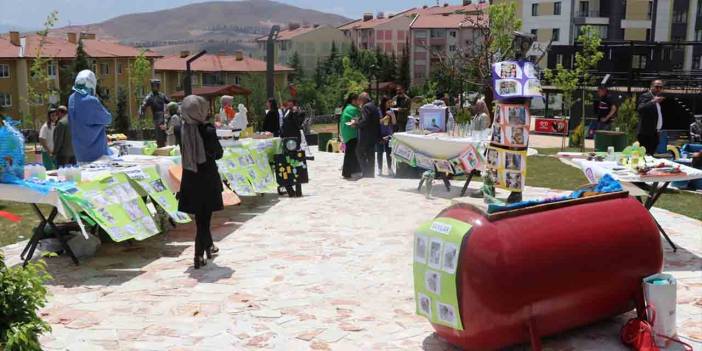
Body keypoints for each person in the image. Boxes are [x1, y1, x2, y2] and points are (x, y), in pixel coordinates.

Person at [177, 95, 224, 269]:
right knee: (205, 220)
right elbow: (218, 153)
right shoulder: (208, 130)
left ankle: (208, 246)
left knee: (199, 218)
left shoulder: (181, 129)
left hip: (190, 178)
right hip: (207, 178)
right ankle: (198, 254)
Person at [68, 70, 112, 164]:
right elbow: (108, 119)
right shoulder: (91, 101)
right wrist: (98, 101)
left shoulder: (71, 99)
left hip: (79, 153)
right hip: (96, 154)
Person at [355, 92, 380, 178]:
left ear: (363, 99)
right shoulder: (373, 106)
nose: (359, 102)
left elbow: (365, 121)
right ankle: (370, 173)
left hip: (366, 136)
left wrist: (356, 124)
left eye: (360, 100)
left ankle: (366, 172)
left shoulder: (366, 106)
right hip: (373, 135)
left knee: (359, 152)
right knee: (370, 155)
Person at [637, 80, 665, 155]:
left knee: (651, 155)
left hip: (654, 132)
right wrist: (653, 101)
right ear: (651, 87)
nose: (658, 89)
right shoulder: (646, 96)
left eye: (660, 87)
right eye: (657, 86)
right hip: (645, 133)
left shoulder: (656, 98)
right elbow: (640, 109)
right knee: (645, 156)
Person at [140, 79, 171, 147]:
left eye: (157, 85)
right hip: (157, 116)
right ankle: (160, 144)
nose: (155, 87)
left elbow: (169, 102)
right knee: (159, 132)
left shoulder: (162, 95)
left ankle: (163, 144)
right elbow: (143, 105)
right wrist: (142, 113)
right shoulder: (149, 97)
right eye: (154, 86)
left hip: (163, 116)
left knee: (164, 132)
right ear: (151, 86)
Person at [340, 93, 361, 179]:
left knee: (351, 153)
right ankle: (347, 172)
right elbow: (359, 118)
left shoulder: (347, 108)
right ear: (353, 100)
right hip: (352, 134)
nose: (359, 102)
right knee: (350, 153)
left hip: (347, 134)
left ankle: (353, 171)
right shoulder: (353, 109)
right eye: (358, 100)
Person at [377, 96, 396, 176]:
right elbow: (377, 122)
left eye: (390, 102)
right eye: (388, 102)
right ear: (384, 102)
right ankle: (380, 169)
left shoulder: (390, 110)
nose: (389, 104)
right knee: (380, 152)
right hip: (380, 133)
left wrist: (393, 115)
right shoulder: (378, 111)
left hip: (388, 133)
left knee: (389, 152)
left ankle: (389, 168)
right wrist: (383, 119)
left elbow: (394, 123)